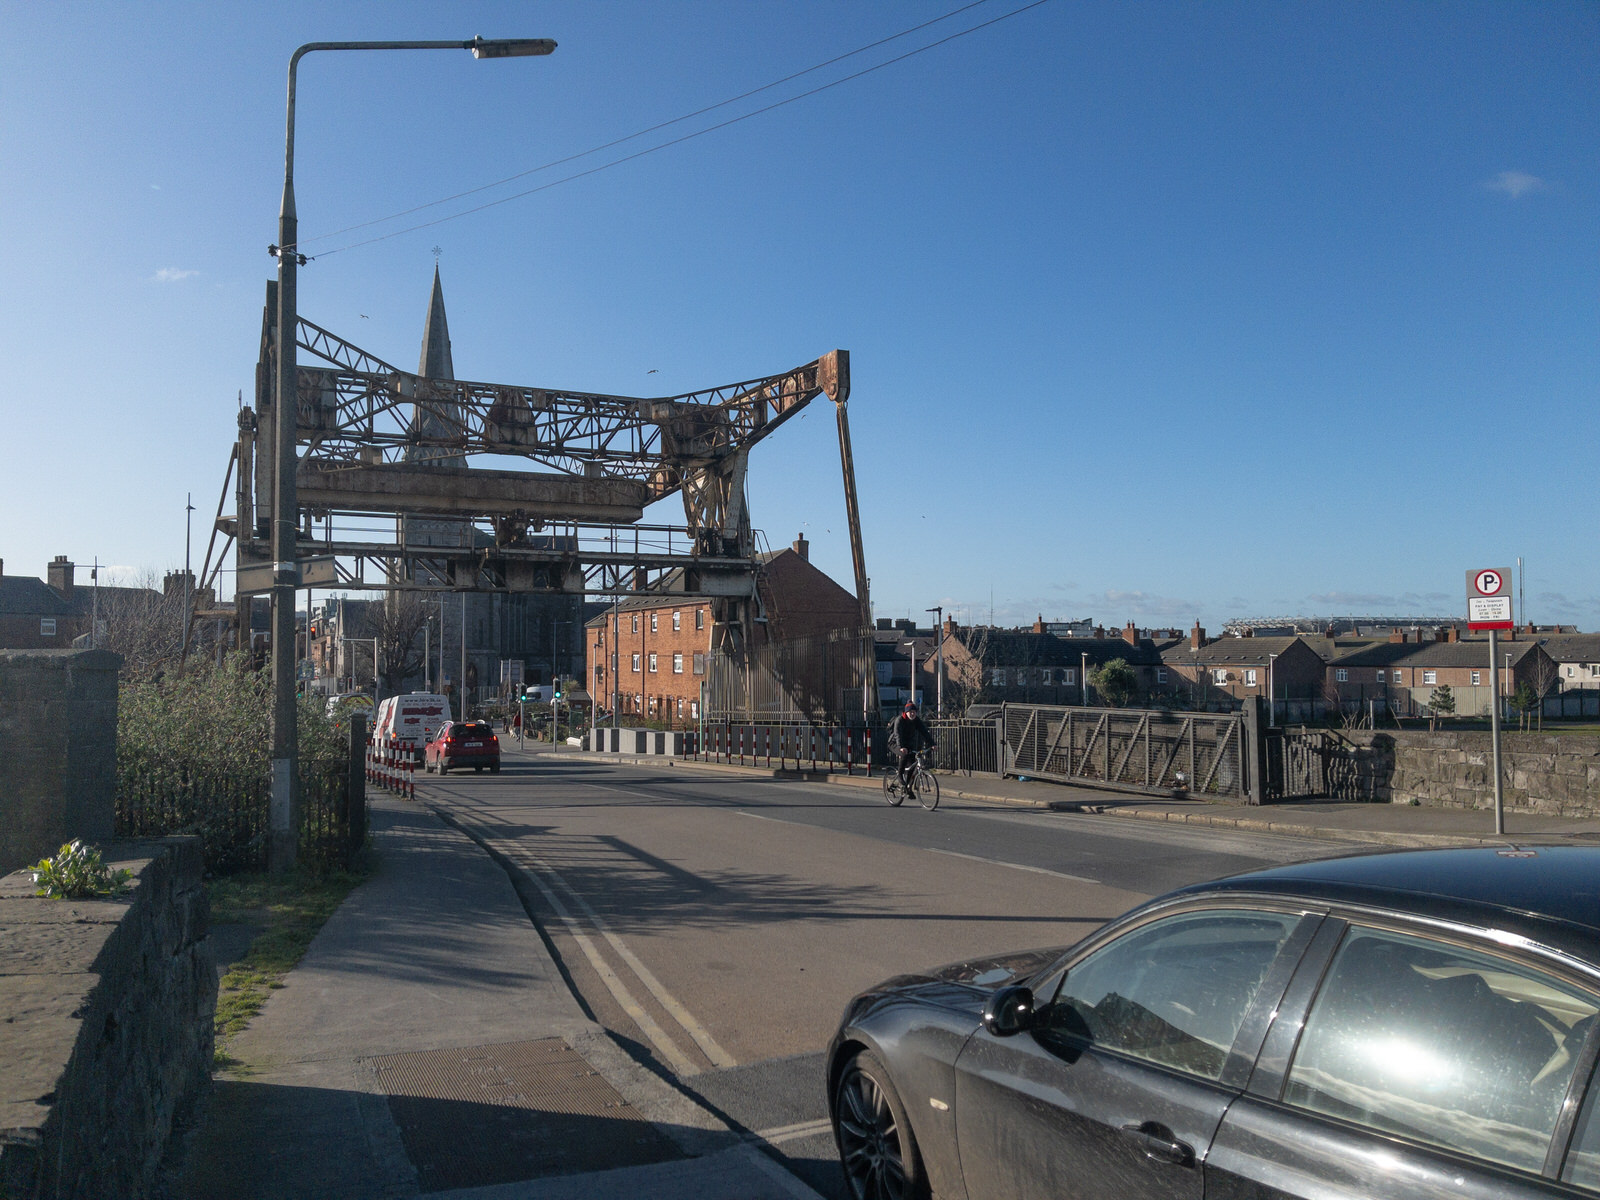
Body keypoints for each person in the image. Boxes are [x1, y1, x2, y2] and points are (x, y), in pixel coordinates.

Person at [891, 700, 936, 788]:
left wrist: (932, 744)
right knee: (904, 754)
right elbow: (897, 734)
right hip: (895, 743)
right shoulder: (900, 720)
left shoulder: (916, 720)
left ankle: (908, 788)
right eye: (910, 712)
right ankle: (900, 775)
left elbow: (924, 732)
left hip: (908, 745)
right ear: (906, 712)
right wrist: (900, 747)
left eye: (914, 712)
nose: (912, 714)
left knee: (913, 763)